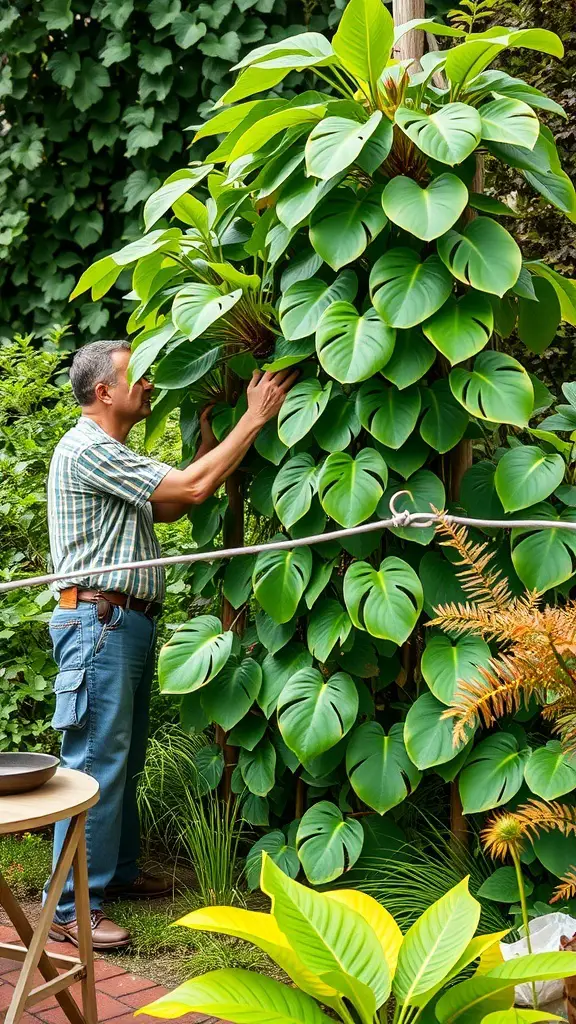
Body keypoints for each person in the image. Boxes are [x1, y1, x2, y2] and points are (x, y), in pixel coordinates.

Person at [46, 339, 297, 950]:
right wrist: (253, 417)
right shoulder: (88, 447)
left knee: (120, 762)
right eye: (139, 375)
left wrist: (211, 441)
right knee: (94, 765)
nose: (150, 384)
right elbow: (189, 491)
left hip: (115, 623)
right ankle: (70, 911)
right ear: (104, 391)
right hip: (97, 624)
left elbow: (170, 508)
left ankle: (114, 877)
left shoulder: (112, 454)